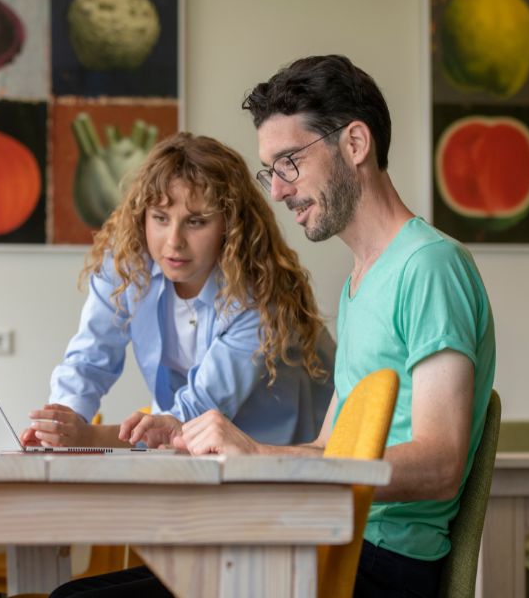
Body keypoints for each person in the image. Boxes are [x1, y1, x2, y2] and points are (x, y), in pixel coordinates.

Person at [116, 55, 496, 598]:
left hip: (379, 565)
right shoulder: (360, 282)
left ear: (355, 144)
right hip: (332, 539)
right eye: (270, 171)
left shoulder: (429, 266)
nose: (276, 191)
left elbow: (440, 464)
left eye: (289, 162)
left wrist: (261, 457)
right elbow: (329, 449)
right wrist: (209, 442)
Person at [19, 132, 335, 456]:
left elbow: (194, 413)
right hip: (191, 451)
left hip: (280, 453)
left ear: (231, 225)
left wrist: (88, 438)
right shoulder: (126, 267)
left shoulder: (260, 296)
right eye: (159, 218)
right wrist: (60, 422)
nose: (173, 241)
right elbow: (88, 359)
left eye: (195, 222)